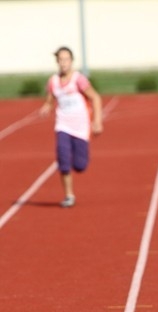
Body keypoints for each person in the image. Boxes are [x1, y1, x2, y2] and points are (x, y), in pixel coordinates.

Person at [39, 46, 102, 208]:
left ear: (71, 61)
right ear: (57, 62)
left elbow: (95, 97)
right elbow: (50, 99)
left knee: (80, 166)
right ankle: (69, 195)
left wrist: (97, 121)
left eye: (66, 59)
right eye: (60, 59)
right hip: (63, 125)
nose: (63, 62)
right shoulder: (53, 81)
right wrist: (47, 106)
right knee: (63, 160)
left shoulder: (78, 79)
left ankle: (78, 159)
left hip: (81, 127)